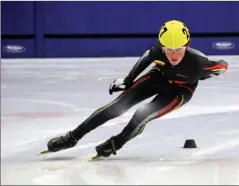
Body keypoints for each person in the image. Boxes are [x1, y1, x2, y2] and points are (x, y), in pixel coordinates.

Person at [46, 20, 228, 158]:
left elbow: (222, 65)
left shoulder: (199, 64)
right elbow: (146, 58)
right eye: (168, 49)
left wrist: (219, 70)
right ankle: (72, 137)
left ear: (187, 46)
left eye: (178, 49)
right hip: (159, 78)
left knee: (142, 114)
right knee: (115, 107)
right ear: (162, 47)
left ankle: (117, 142)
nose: (173, 54)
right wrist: (128, 80)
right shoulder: (158, 52)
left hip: (181, 91)